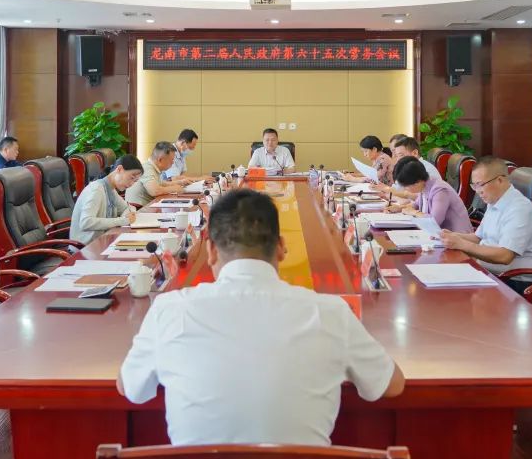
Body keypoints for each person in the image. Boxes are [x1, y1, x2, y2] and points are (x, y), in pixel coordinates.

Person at [118, 189, 404, 445]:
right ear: (281, 247)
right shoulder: (330, 312)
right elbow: (392, 384)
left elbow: (131, 388)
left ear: (211, 251)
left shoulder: (169, 310)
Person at [439, 156, 532, 275]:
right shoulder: (494, 200)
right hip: (487, 270)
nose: (478, 191)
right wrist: (451, 236)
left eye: (481, 184)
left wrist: (461, 244)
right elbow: (479, 238)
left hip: (513, 280)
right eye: (474, 185)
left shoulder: (519, 209)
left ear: (500, 180)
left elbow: (505, 256)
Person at [69, 154, 143, 244]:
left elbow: (127, 208)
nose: (131, 184)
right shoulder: (96, 189)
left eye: (135, 181)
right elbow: (86, 222)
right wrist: (121, 221)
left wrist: (129, 215)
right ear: (119, 169)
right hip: (84, 247)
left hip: (103, 242)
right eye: (131, 178)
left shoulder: (111, 190)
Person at [390, 156, 472, 233]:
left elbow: (434, 221)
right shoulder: (425, 184)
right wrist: (399, 208)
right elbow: (416, 205)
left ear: (417, 182)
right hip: (440, 235)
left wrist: (414, 213)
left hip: (459, 237)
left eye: (405, 186)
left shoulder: (440, 190)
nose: (405, 189)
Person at [125, 142, 184, 207]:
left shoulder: (153, 167)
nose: (173, 163)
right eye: (171, 160)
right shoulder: (146, 168)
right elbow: (154, 191)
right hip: (138, 209)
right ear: (160, 160)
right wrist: (174, 189)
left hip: (146, 207)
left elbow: (161, 183)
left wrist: (180, 183)